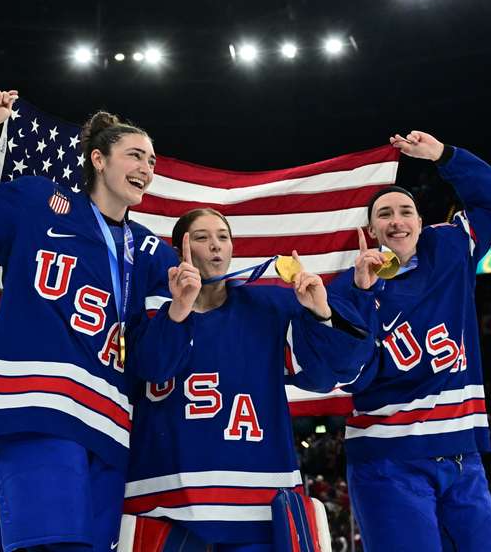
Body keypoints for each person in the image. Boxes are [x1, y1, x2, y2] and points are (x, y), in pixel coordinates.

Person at [0, 89, 178, 551]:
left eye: (152, 161)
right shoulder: (39, 203)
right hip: (37, 405)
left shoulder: (149, 249)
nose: (146, 170)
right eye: (135, 155)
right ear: (98, 158)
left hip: (110, 426)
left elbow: (191, 316)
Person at [124, 208, 374, 549]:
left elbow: (334, 372)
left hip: (258, 501)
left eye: (222, 237)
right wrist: (178, 309)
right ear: (179, 248)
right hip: (166, 501)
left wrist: (322, 312)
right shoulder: (149, 305)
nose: (215, 245)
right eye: (202, 237)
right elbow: (152, 367)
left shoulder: (268, 306)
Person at [329, 130, 491, 551]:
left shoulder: (449, 247)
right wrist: (362, 294)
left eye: (405, 211)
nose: (396, 221)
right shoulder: (346, 289)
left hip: (460, 452)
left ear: (419, 220)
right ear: (371, 228)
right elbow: (348, 376)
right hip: (387, 457)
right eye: (385, 214)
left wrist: (443, 156)